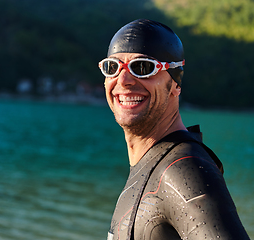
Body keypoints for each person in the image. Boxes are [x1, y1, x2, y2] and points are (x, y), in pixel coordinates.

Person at [98, 19, 250, 240]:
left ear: (175, 82)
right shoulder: (152, 162)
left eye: (143, 67)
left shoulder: (185, 171)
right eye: (112, 67)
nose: (123, 80)